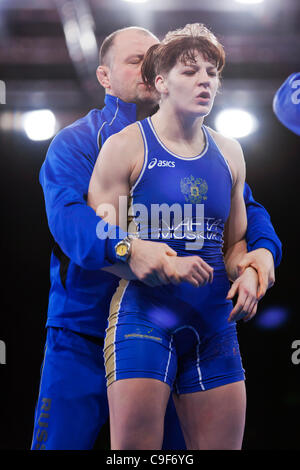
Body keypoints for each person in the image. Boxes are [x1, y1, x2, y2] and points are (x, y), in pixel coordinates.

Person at [32, 26, 282, 450]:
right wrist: (128, 248)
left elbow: (245, 211)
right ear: (104, 77)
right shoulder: (80, 142)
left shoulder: (209, 146)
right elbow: (70, 220)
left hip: (178, 324)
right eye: (135, 61)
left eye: (155, 56)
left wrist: (262, 253)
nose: (148, 66)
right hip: (85, 329)